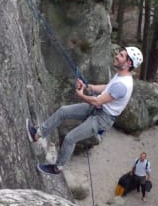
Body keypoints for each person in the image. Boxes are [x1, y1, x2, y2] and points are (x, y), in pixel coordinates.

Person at [26, 46, 143, 175]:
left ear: (129, 63)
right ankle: (37, 134)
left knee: (70, 138)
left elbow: (98, 101)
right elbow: (108, 87)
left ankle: (57, 168)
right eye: (119, 53)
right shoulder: (121, 76)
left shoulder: (123, 85)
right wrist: (89, 87)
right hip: (98, 109)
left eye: (121, 55)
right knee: (63, 111)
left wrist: (81, 95)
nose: (116, 55)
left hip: (103, 118)